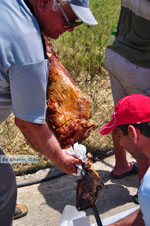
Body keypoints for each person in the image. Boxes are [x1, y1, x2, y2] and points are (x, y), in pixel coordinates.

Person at [0, 0, 97, 225]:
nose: (71, 27)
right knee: (4, 186)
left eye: (76, 23)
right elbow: (28, 123)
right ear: (44, 2)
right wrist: (59, 158)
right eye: (69, 19)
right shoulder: (29, 50)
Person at [104, 0, 150, 203]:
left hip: (116, 53)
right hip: (139, 65)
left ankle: (121, 165)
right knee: (142, 127)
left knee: (122, 115)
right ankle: (144, 190)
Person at [100, 94, 150, 226]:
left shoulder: (147, 188)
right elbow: (145, 213)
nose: (120, 143)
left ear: (132, 132)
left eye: (119, 136)